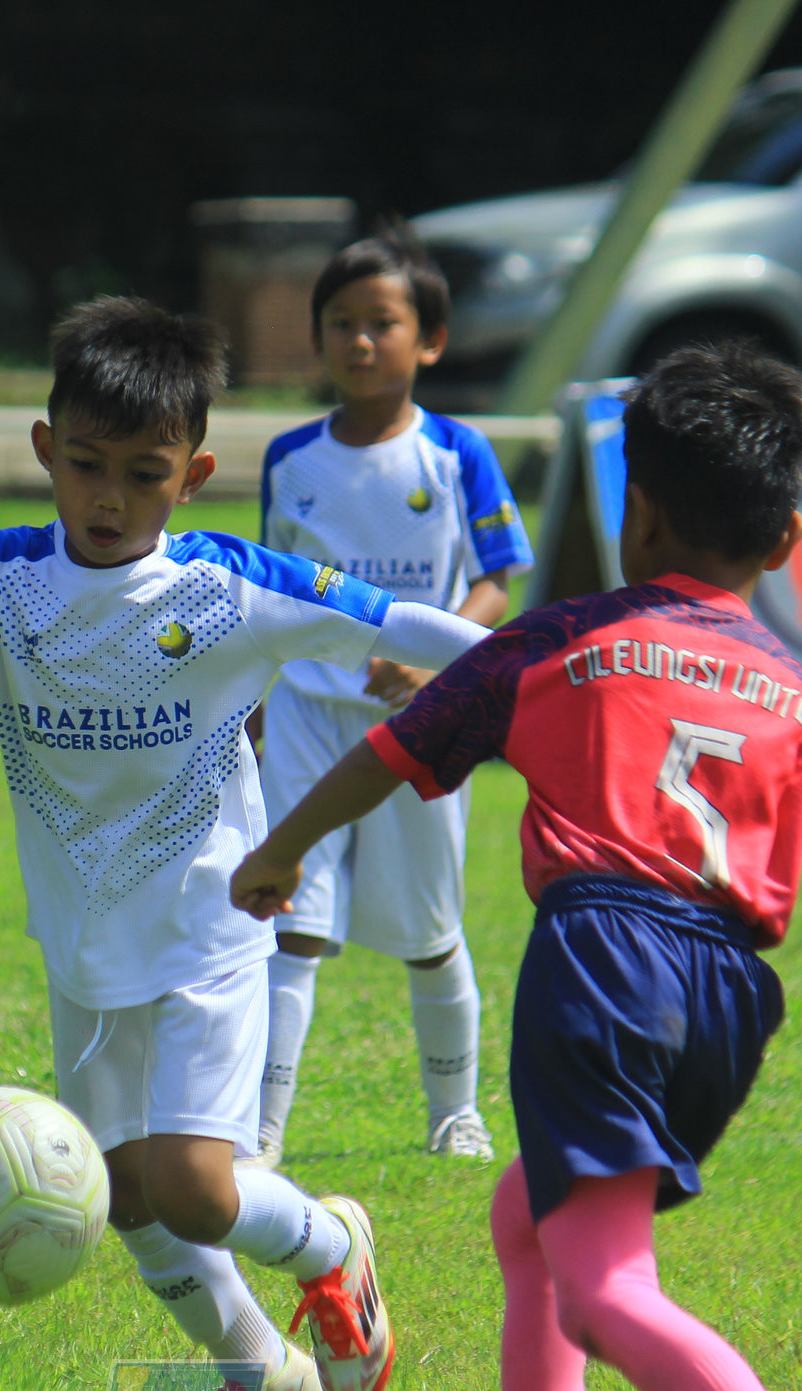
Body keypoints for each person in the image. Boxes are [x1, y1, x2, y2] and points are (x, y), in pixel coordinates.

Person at [230, 343, 802, 1391]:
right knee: (527, 1215)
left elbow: (395, 750)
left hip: (601, 962)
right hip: (729, 1000)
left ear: (632, 509)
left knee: (600, 1281)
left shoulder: (564, 642)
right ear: (790, 535)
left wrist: (280, 849)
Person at [0, 296, 495, 1391]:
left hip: (211, 933)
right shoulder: (0, 589)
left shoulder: (228, 587)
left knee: (197, 1187)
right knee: (122, 1195)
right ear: (43, 450)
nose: (108, 497)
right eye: (85, 465)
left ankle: (331, 1240)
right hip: (81, 946)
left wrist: (546, 670)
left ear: (194, 472)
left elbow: (404, 624)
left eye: (144, 473)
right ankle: (262, 1372)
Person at [252, 230, 533, 1170]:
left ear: (431, 341)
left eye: (383, 323)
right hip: (306, 714)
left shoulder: (457, 453)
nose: (360, 342)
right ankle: (260, 1130)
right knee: (291, 925)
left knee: (426, 933)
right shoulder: (290, 460)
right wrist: (254, 707)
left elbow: (500, 577)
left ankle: (454, 1112)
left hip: (424, 726)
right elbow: (276, 596)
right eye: (341, 324)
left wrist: (438, 662)